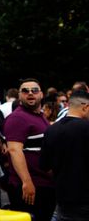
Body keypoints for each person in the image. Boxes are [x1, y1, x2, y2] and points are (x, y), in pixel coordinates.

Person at [4, 79, 55, 221]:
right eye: (25, 91)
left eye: (34, 90)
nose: (30, 93)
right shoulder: (18, 118)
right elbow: (14, 150)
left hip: (44, 184)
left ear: (42, 94)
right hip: (29, 187)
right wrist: (27, 182)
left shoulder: (40, 117)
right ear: (19, 95)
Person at [40, 89, 89, 220]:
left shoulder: (51, 130)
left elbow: (45, 166)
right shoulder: (86, 128)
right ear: (86, 107)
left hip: (62, 197)